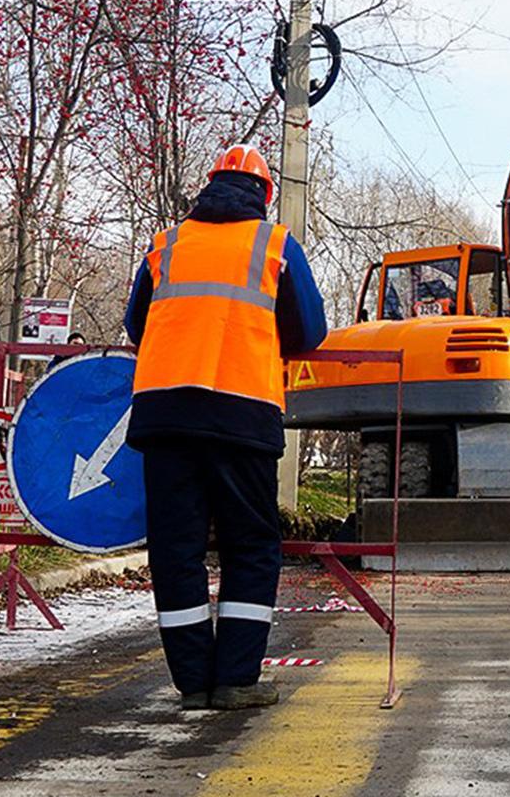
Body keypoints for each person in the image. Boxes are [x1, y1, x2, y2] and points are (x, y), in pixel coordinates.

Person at [122, 144, 326, 712]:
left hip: (166, 414)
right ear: (262, 195)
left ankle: (192, 681)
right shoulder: (275, 244)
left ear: (209, 187)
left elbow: (138, 325)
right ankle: (236, 678)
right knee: (251, 546)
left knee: (176, 548)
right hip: (242, 410)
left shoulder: (167, 244)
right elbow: (310, 332)